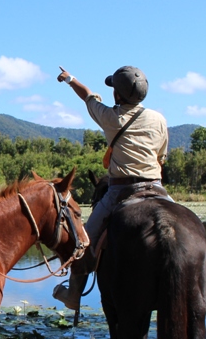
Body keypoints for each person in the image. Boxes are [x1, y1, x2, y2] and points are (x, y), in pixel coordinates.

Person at [54, 65, 171, 311]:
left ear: (118, 95)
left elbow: (87, 96)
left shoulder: (111, 118)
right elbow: (161, 157)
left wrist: (69, 78)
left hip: (120, 191)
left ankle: (74, 295)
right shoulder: (159, 119)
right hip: (158, 188)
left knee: (83, 243)